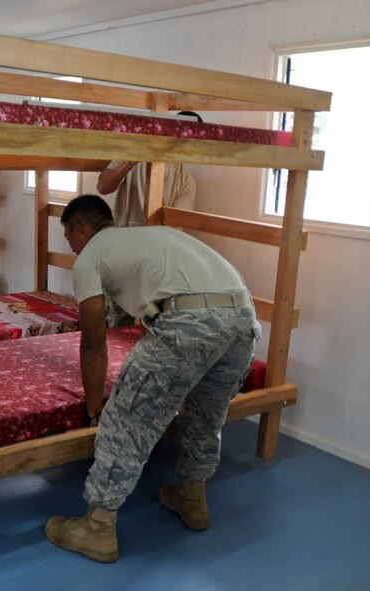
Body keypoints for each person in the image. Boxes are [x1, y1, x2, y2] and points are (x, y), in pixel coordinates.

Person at [45, 194, 260, 563]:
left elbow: (94, 344)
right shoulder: (152, 237)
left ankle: (97, 528)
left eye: (69, 239)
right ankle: (192, 499)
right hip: (244, 318)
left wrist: (96, 409)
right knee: (205, 415)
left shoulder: (92, 255)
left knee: (127, 419)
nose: (72, 248)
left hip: (189, 322)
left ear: (80, 227)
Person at [96, 159, 197, 227]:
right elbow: (102, 187)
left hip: (155, 249)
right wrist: (128, 165)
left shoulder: (186, 181)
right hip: (122, 237)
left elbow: (176, 232)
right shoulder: (132, 154)